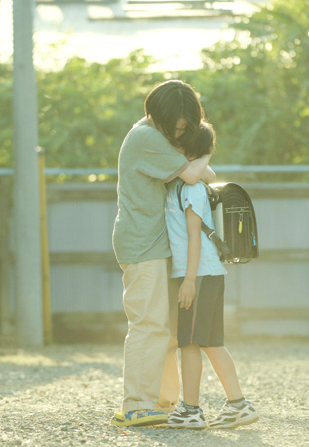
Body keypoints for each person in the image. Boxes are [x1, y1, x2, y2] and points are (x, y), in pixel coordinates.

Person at [111, 80, 216, 427]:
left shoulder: (156, 137)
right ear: (162, 117)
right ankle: (137, 404)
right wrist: (207, 147)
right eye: (178, 126)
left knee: (168, 329)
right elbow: (195, 174)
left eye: (186, 129)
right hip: (144, 244)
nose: (180, 134)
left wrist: (199, 161)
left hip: (155, 243)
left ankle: (162, 401)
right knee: (149, 324)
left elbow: (204, 175)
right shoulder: (148, 139)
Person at [164, 122, 259, 429]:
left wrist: (189, 280)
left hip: (198, 274)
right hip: (208, 272)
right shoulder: (191, 182)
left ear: (186, 151)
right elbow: (209, 173)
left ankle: (190, 410)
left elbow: (194, 235)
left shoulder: (190, 187)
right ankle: (238, 405)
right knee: (212, 342)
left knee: (190, 342)